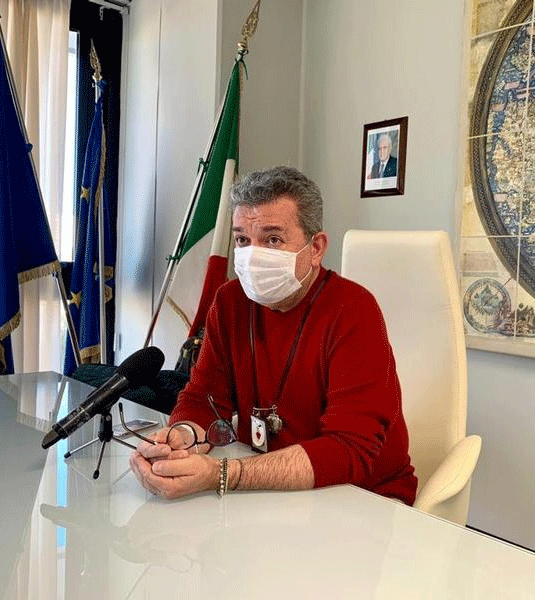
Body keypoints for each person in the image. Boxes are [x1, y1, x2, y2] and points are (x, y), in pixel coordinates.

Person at [130, 166, 417, 505]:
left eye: (273, 239)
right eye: (242, 239)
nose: (253, 255)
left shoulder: (354, 309)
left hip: (362, 498)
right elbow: (203, 399)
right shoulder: (230, 301)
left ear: (316, 248)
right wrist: (182, 438)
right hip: (272, 489)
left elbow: (348, 449)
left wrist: (225, 474)